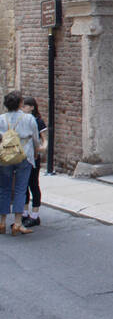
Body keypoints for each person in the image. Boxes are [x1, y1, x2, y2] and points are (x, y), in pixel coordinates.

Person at [0, 91, 40, 236]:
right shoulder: (28, 118)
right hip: (24, 156)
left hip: (5, 158)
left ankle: (2, 222)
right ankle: (17, 223)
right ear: (20, 104)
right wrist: (37, 151)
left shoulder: (1, 119)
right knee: (20, 189)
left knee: (4, 189)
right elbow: (36, 139)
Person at [21, 96, 47, 228]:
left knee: (33, 184)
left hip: (34, 156)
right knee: (23, 185)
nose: (23, 108)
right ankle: (24, 213)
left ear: (32, 107)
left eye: (25, 106)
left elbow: (44, 139)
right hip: (24, 156)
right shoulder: (23, 120)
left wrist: (42, 148)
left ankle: (35, 215)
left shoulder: (38, 121)